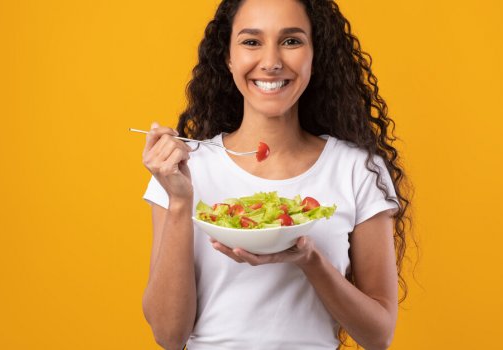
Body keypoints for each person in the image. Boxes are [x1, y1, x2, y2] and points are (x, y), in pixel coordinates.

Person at [140, 0, 412, 349]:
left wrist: (310, 260)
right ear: (228, 57)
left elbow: (379, 335)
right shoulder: (183, 167)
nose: (271, 63)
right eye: (252, 42)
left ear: (315, 55)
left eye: (291, 41)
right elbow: (168, 335)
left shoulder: (357, 170)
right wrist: (180, 201)